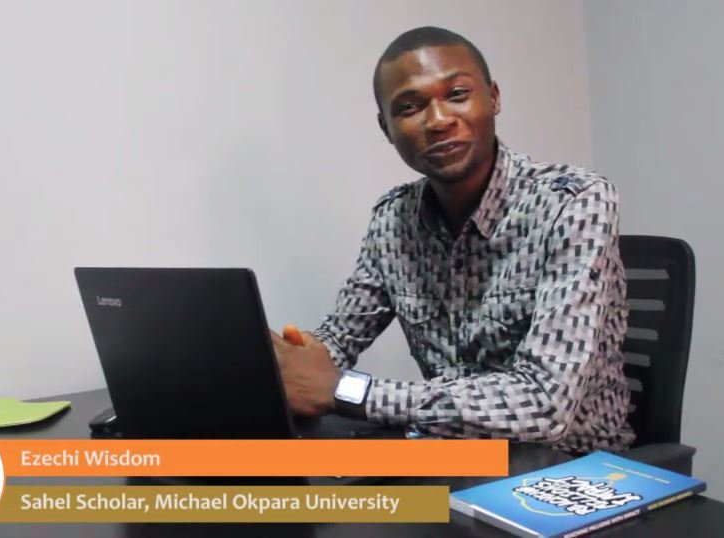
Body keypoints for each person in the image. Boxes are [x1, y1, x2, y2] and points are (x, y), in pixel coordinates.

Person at [270, 26, 634, 453]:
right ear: (387, 127)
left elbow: (544, 403)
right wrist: (291, 359)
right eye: (410, 107)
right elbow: (341, 336)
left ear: (493, 98)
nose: (439, 120)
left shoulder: (573, 203)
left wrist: (346, 390)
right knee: (253, 481)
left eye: (457, 94)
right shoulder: (394, 219)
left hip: (572, 467)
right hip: (454, 458)